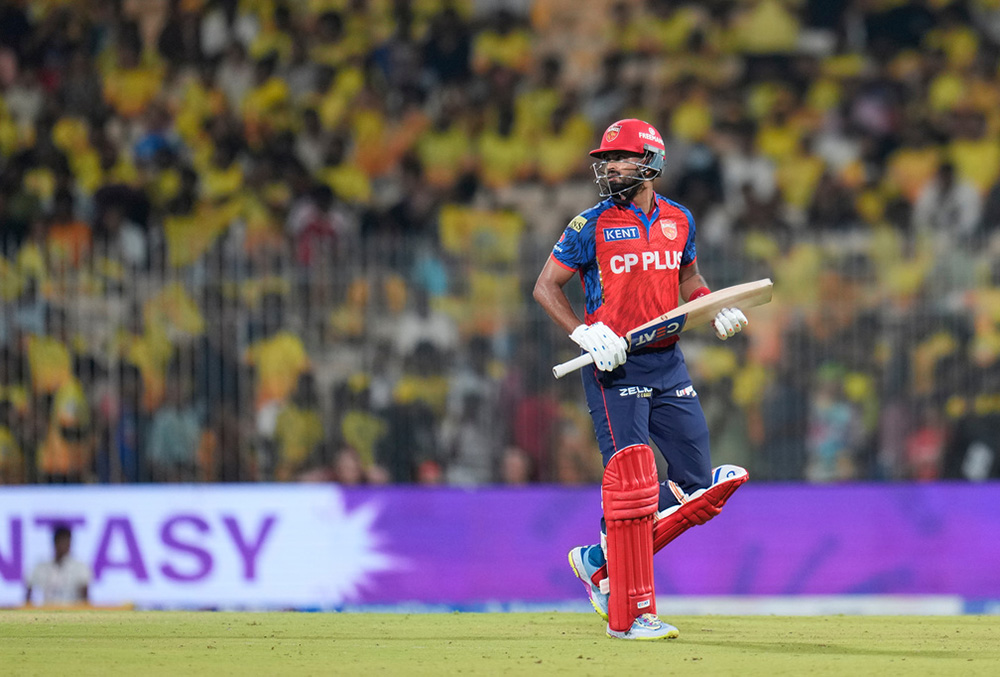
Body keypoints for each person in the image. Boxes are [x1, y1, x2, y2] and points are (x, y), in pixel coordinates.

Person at [532, 119, 750, 640]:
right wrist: (585, 335)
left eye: (621, 158)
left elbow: (689, 278)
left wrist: (710, 307)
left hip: (667, 360)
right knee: (634, 488)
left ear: (650, 162)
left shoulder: (679, 218)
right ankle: (631, 612)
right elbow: (545, 287)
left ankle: (597, 558)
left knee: (697, 484)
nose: (609, 167)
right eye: (606, 160)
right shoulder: (589, 225)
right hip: (613, 366)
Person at [25, 524, 91, 606]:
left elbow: (85, 596)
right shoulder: (41, 567)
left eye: (67, 542)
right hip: (46, 611)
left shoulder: (80, 567)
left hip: (72, 612)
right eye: (61, 542)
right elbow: (28, 593)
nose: (64, 546)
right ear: (55, 542)